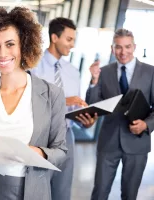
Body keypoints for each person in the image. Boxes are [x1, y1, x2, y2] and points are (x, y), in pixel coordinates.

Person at [0, 7, 68, 200]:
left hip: (30, 191)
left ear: (24, 45)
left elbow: (61, 151)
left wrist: (39, 153)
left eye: (10, 44)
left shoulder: (52, 94)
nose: (2, 53)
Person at [31, 17, 97, 200]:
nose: (72, 45)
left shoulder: (73, 72)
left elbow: (73, 108)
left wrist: (86, 121)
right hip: (40, 137)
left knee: (62, 192)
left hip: (67, 136)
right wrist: (62, 100)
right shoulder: (34, 68)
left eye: (73, 40)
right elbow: (29, 103)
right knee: (38, 192)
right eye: (69, 39)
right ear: (54, 37)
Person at [86, 28, 154, 200]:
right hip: (109, 140)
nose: (123, 52)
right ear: (112, 48)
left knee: (130, 194)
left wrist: (146, 125)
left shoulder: (150, 72)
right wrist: (94, 80)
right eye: (118, 47)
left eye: (127, 47)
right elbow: (93, 104)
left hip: (137, 142)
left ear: (134, 47)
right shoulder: (104, 72)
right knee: (100, 192)